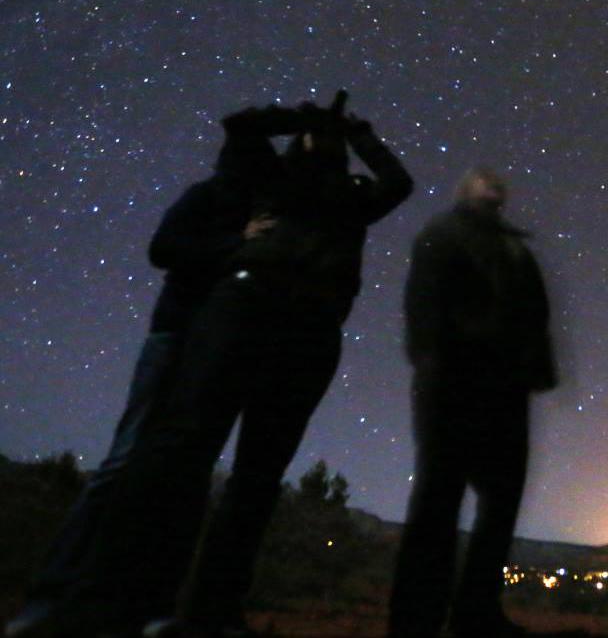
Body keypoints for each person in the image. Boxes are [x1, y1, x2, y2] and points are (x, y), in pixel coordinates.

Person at [47, 96, 413, 638]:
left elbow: (399, 182)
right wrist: (302, 117)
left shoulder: (355, 196)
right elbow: (240, 127)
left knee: (257, 479)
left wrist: (357, 131)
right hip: (245, 307)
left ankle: (212, 612)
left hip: (311, 331)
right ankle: (120, 603)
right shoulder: (270, 176)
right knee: (183, 452)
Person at [4, 117, 276, 638]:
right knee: (124, 460)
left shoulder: (259, 211)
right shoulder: (206, 197)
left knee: (175, 474)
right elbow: (163, 249)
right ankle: (51, 596)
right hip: (173, 339)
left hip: (209, 351)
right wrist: (233, 241)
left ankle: (143, 601)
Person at [388, 167, 556, 638]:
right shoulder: (442, 235)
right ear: (464, 190)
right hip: (454, 383)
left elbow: (535, 316)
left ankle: (475, 612)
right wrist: (432, 364)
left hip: (506, 388)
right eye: (483, 180)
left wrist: (537, 371)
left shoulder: (516, 250)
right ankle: (414, 618)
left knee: (500, 504)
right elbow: (423, 307)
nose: (495, 186)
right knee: (439, 501)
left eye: (498, 182)